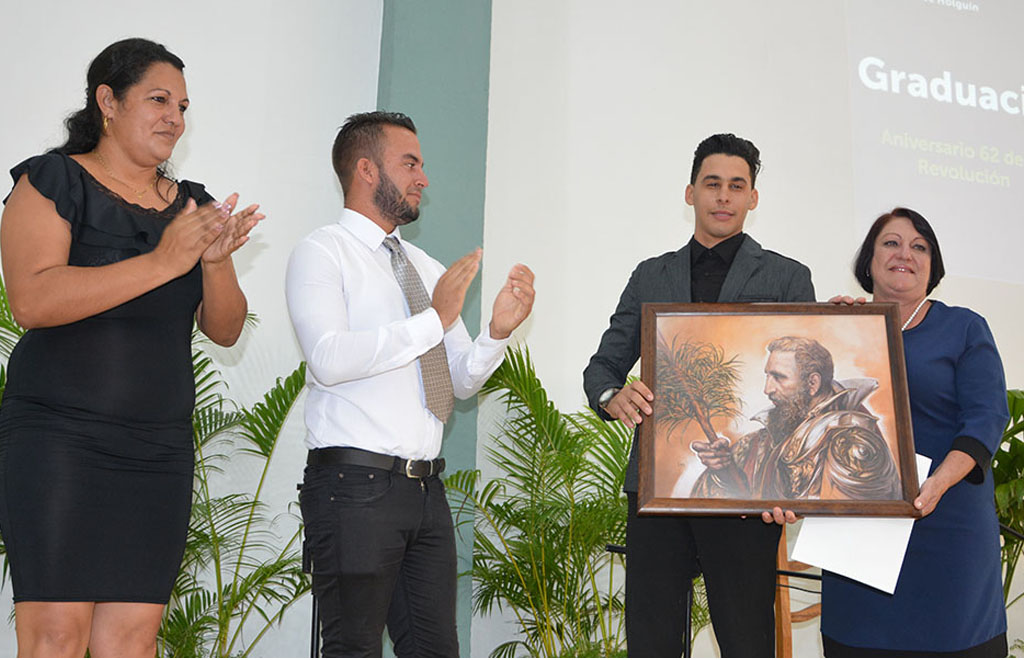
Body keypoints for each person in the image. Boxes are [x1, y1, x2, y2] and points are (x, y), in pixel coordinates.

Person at [0, 38, 258, 656]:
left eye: (184, 106)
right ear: (108, 102)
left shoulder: (193, 204)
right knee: (56, 636)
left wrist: (215, 264)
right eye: (159, 100)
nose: (175, 117)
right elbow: (31, 301)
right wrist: (165, 260)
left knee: (132, 642)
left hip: (157, 448)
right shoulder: (52, 179)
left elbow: (224, 330)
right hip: (59, 439)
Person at [286, 111, 535, 657]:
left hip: (425, 491)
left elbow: (460, 382)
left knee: (435, 649)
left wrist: (496, 332)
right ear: (367, 170)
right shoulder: (322, 252)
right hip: (352, 486)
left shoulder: (422, 265)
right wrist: (433, 320)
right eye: (411, 163)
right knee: (353, 648)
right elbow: (328, 358)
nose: (424, 177)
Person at [583, 133, 814, 657]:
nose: (724, 196)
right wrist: (609, 394)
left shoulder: (787, 277)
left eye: (737, 186)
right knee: (653, 639)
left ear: (753, 198)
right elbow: (604, 365)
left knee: (744, 638)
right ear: (690, 192)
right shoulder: (651, 275)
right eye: (713, 184)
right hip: (657, 486)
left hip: (745, 487)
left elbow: (798, 393)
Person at [815, 208, 1009, 656]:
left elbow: (985, 417)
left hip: (945, 526)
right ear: (869, 261)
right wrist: (823, 331)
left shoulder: (963, 327)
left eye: (919, 246)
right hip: (860, 536)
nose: (905, 253)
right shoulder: (840, 331)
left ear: (932, 266)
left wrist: (935, 485)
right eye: (891, 242)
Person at [691, 336, 900, 501]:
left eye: (779, 377)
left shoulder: (851, 442)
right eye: (767, 376)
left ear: (812, 383)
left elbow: (847, 525)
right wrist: (723, 470)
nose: (767, 390)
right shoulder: (759, 441)